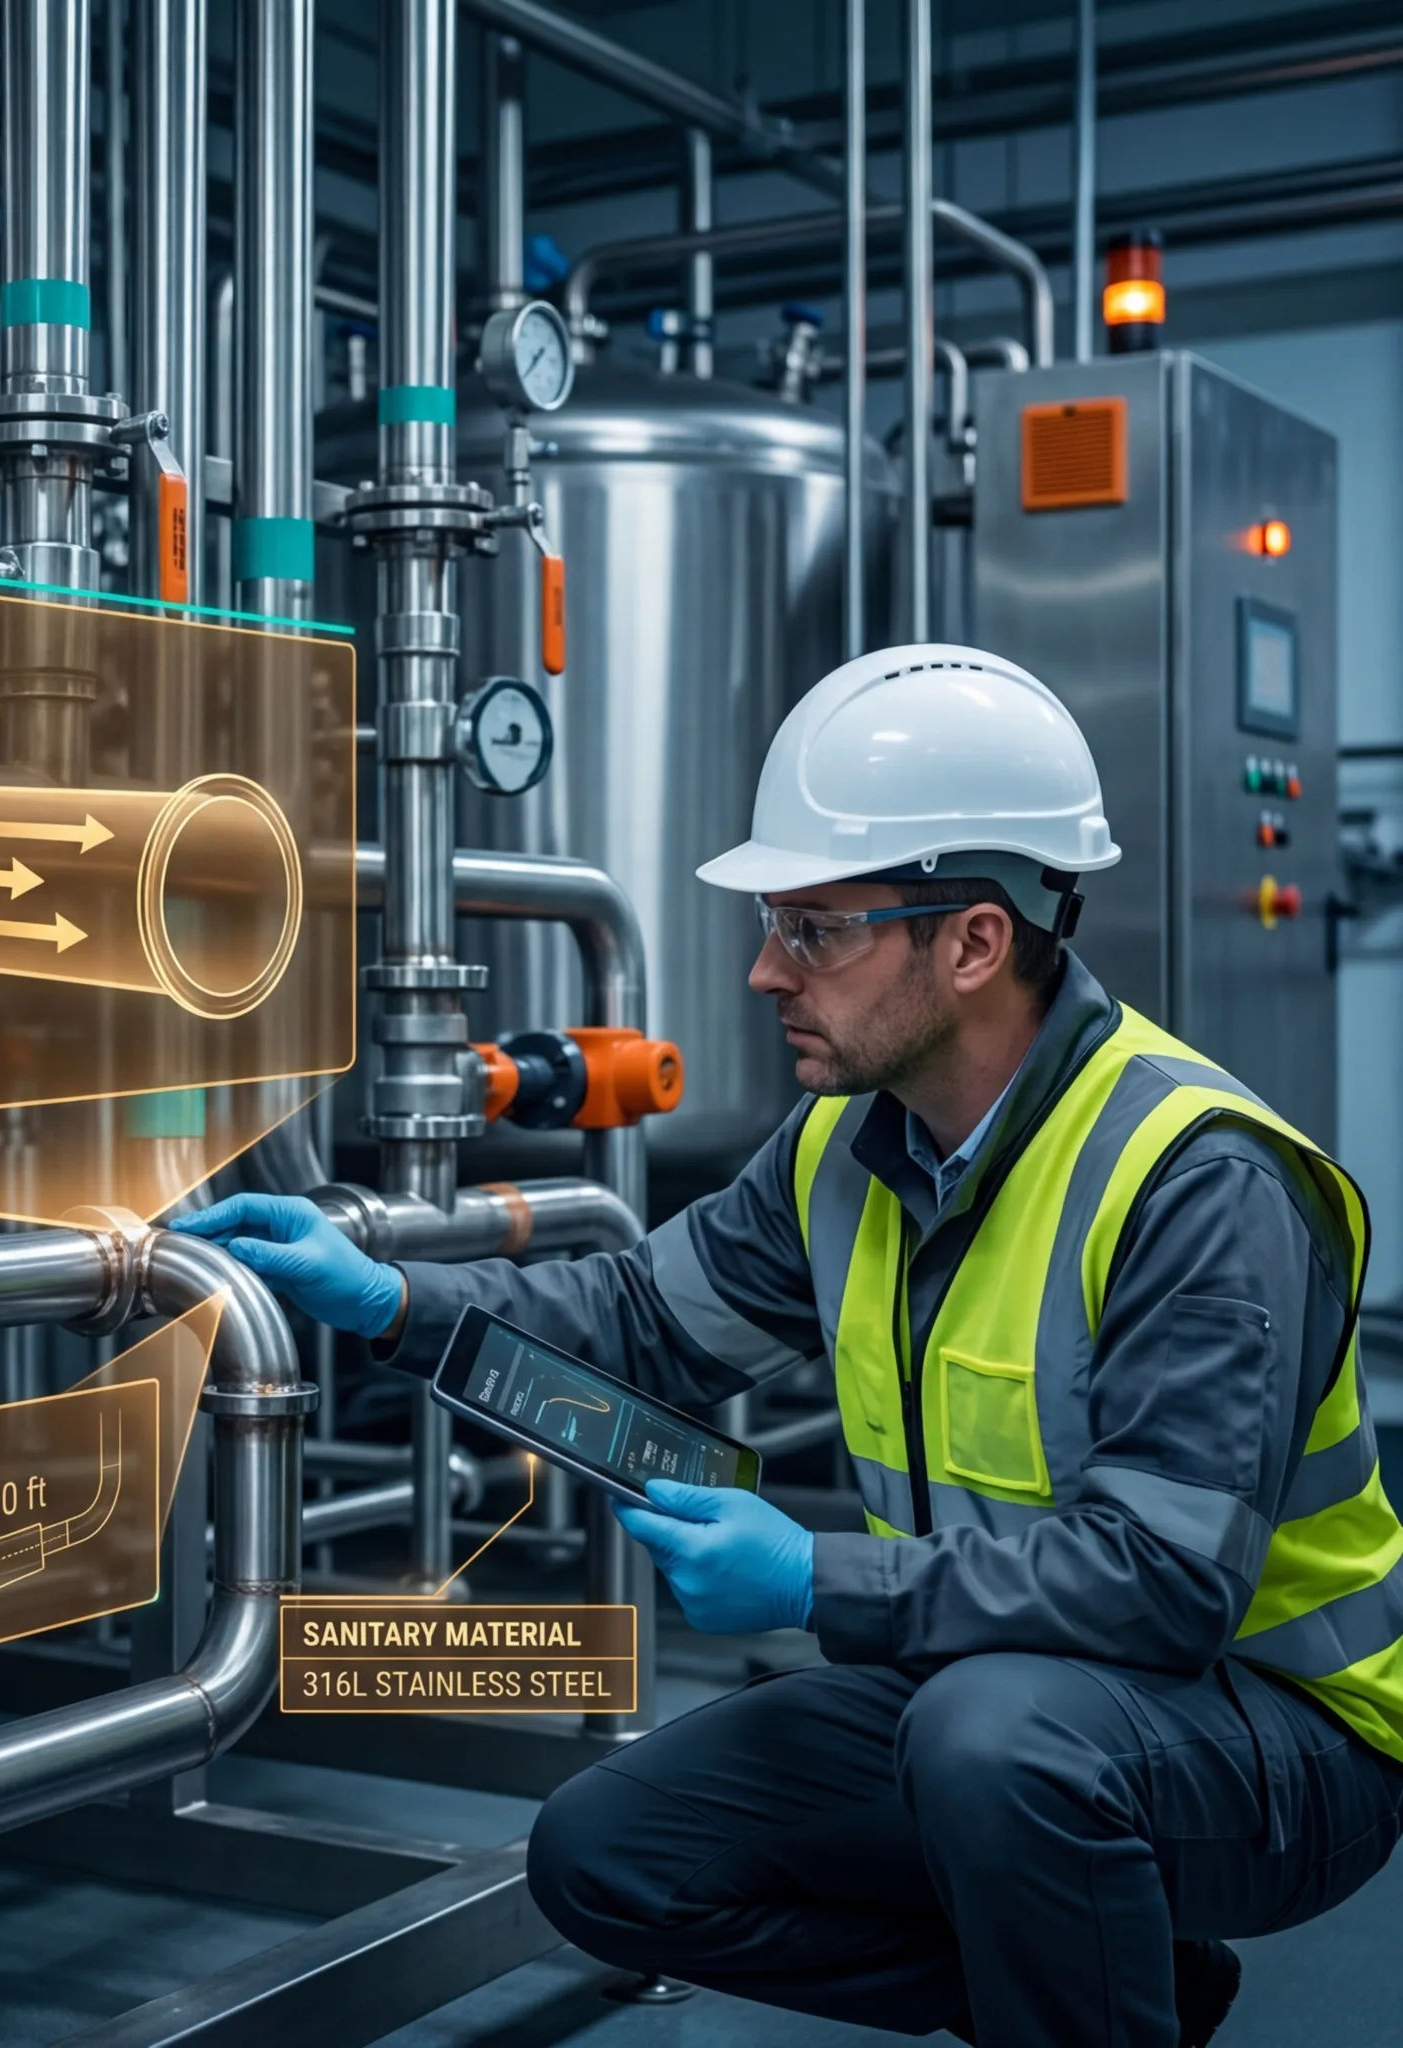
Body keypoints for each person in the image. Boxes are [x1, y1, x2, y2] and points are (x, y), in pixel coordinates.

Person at [174, 645, 1403, 2048]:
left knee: (993, 1743)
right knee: (609, 1853)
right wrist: (388, 1299)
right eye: (774, 921)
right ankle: (1120, 1990)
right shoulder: (845, 1147)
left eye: (815, 928)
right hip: (999, 1695)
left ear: (975, 941)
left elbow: (1167, 1583)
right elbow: (638, 1328)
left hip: (1280, 1746)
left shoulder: (1198, 1180)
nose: (765, 970)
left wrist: (812, 1576)